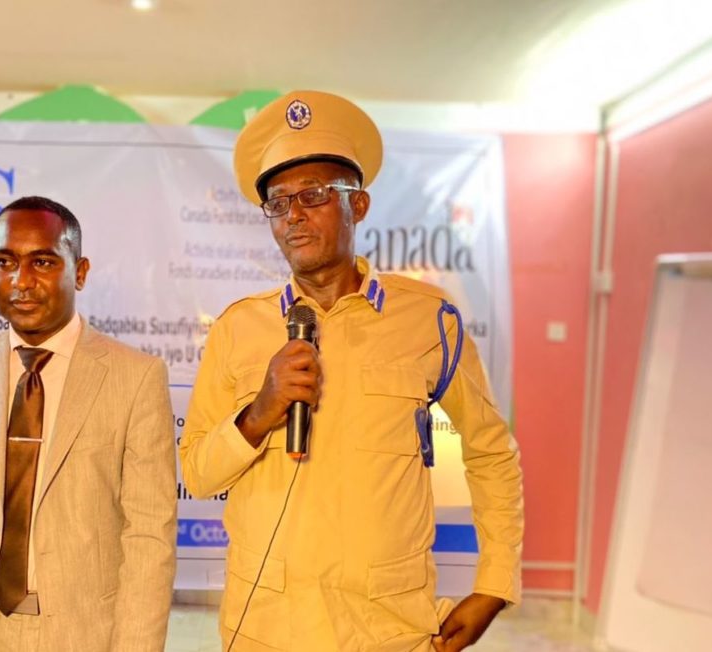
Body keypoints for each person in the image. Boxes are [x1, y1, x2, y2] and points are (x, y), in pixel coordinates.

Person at [179, 91, 523, 652]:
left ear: (357, 205)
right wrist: (260, 413)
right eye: (277, 203)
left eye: (312, 196)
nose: (293, 216)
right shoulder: (237, 329)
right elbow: (197, 473)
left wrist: (495, 582)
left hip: (389, 628)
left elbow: (490, 452)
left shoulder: (429, 319)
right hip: (267, 627)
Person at [0, 196, 177, 651]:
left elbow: (149, 539)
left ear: (79, 271)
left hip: (82, 634)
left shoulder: (135, 378)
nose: (21, 281)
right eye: (5, 262)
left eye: (43, 262)